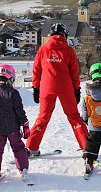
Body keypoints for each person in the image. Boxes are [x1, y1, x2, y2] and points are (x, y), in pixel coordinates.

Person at [26, 23, 88, 156]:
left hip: (47, 87)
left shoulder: (43, 49)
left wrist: (36, 88)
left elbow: (36, 71)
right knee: (74, 117)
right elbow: (74, 73)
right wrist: (76, 90)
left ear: (51, 35)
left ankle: (31, 147)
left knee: (43, 118)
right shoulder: (69, 50)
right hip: (65, 87)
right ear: (64, 35)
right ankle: (87, 147)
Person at [0, 64, 30, 178]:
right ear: (9, 78)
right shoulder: (14, 93)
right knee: (18, 148)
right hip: (13, 128)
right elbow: (19, 111)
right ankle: (23, 169)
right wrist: (25, 125)